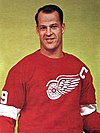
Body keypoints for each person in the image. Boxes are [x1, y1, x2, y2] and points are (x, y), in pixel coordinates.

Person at [0, 4, 100, 133]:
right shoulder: (21, 70)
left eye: (53, 26)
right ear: (37, 30)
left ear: (62, 28)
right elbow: (5, 117)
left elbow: (88, 115)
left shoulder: (80, 69)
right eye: (43, 28)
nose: (48, 33)